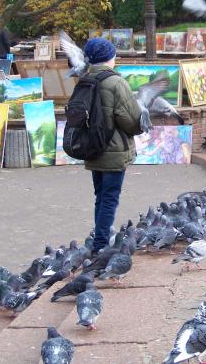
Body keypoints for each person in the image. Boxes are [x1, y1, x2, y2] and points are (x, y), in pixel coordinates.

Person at [82, 37, 143, 254]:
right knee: (109, 198)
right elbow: (131, 121)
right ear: (109, 57)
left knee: (101, 196)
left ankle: (99, 236)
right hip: (114, 151)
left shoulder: (85, 79)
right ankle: (100, 245)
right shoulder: (116, 83)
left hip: (92, 149)